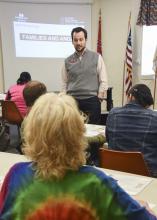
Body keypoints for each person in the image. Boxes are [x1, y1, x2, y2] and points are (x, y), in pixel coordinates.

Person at [0, 93, 156, 220]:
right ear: (78, 133)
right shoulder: (96, 183)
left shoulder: (16, 175)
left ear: (31, 133)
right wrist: (144, 209)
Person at [106, 84, 157, 177]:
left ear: (130, 96)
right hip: (147, 174)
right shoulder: (155, 118)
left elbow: (108, 139)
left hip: (115, 169)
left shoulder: (113, 113)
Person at [61, 27, 108, 125]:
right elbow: (64, 82)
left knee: (93, 130)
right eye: (75, 40)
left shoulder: (96, 57)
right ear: (72, 41)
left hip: (92, 100)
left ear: (85, 40)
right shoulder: (67, 61)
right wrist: (64, 99)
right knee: (72, 131)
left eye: (81, 39)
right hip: (72, 101)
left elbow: (103, 79)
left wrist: (99, 97)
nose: (78, 43)